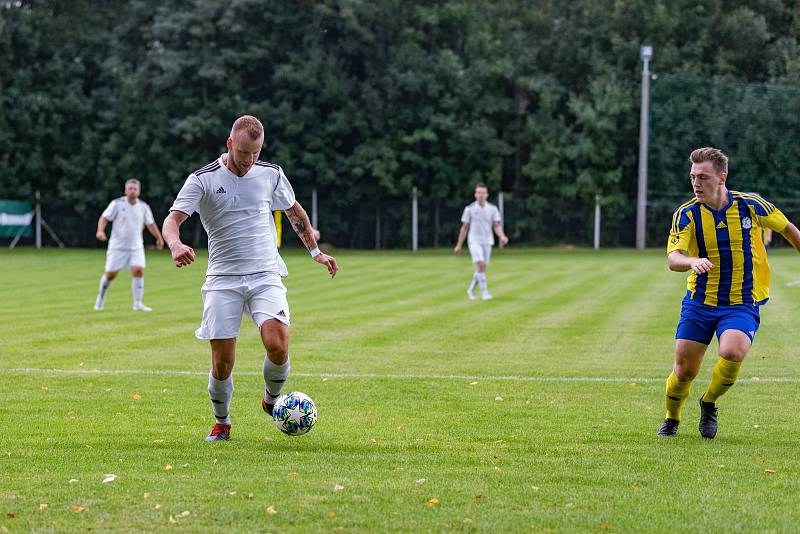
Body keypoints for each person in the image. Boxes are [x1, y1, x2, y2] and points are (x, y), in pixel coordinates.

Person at [162, 115, 338, 443]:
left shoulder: (270, 174)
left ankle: (271, 401)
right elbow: (172, 221)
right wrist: (175, 245)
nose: (249, 160)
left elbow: (294, 211)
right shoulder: (203, 179)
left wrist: (316, 253)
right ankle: (222, 422)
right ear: (230, 144)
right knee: (223, 364)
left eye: (255, 154)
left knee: (278, 345)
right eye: (244, 153)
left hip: (265, 274)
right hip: (222, 280)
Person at [658, 147, 800, 439]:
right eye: (693, 176)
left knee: (733, 351)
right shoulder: (687, 214)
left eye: (703, 177)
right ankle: (672, 418)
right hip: (700, 302)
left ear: (722, 177)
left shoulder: (750, 205)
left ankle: (709, 403)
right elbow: (674, 259)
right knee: (684, 372)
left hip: (741, 302)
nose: (696, 183)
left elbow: (788, 229)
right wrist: (691, 261)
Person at [94, 179, 164, 311]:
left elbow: (150, 224)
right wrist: (100, 230)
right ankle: (101, 298)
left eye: (135, 189)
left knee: (138, 271)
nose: (132, 191)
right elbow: (104, 217)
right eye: (130, 188)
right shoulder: (117, 204)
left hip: (136, 247)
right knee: (110, 275)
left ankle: (137, 303)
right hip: (117, 247)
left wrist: (159, 238)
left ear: (139, 191)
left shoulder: (143, 207)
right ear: (125, 190)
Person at [454, 183, 509, 300]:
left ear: (487, 194)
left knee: (482, 268)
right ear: (475, 194)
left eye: (483, 193)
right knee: (480, 263)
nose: (481, 195)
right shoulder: (469, 209)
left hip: (487, 241)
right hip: (474, 241)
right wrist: (459, 245)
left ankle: (470, 289)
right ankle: (485, 293)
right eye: (479, 192)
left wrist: (502, 236)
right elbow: (464, 228)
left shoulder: (493, 209)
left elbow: (496, 225)